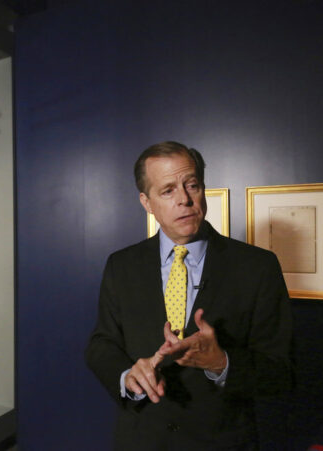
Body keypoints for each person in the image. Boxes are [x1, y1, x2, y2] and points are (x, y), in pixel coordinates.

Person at [85, 141, 292, 449]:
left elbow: (281, 373)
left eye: (191, 185)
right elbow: (101, 343)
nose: (184, 199)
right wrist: (126, 374)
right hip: (141, 440)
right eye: (168, 190)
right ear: (146, 201)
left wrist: (222, 363)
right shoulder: (121, 264)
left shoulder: (257, 267)